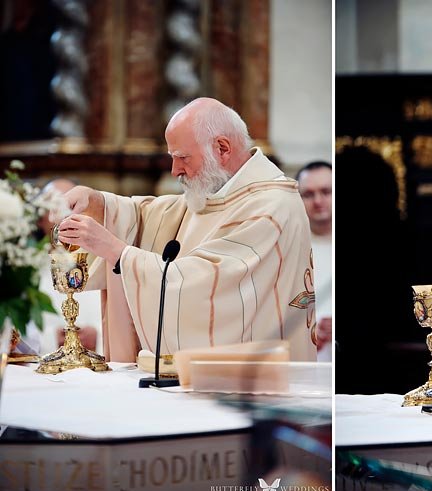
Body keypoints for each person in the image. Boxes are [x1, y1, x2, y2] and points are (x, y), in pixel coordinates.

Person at [57, 97, 317, 361]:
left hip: (256, 375)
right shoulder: (219, 193)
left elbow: (207, 285)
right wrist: (97, 203)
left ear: (222, 148)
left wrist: (116, 251)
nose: (175, 170)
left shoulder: (271, 207)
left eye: (182, 157)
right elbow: (150, 216)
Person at [17, 178, 101, 355]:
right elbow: (15, 330)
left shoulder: (102, 260)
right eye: (55, 205)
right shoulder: (24, 267)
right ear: (40, 218)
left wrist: (99, 335)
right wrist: (50, 338)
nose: (65, 214)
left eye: (72, 206)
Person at [297, 161, 333, 362]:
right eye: (308, 195)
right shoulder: (286, 246)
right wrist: (305, 332)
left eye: (326, 192)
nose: (318, 201)